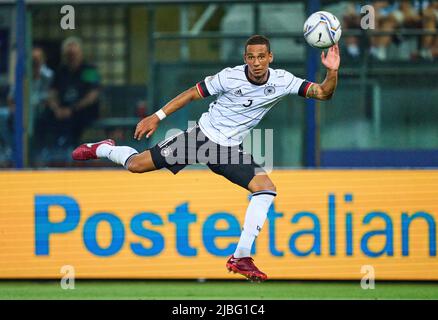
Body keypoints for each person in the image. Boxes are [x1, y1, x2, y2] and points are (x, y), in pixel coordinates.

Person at [71, 35, 340, 282]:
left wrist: (332, 70)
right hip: (200, 138)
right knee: (136, 165)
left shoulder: (283, 81)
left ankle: (241, 257)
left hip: (229, 151)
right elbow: (191, 94)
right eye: (251, 57)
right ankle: (103, 148)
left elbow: (323, 93)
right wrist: (157, 117)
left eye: (261, 57)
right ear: (245, 59)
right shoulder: (229, 77)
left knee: (266, 188)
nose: (256, 63)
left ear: (270, 57)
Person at [42, 36, 100, 158]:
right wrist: (56, 108)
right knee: (45, 116)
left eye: (74, 54)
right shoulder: (60, 72)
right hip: (62, 110)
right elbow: (52, 93)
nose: (71, 57)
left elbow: (92, 95)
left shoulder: (89, 70)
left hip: (82, 110)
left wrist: (72, 109)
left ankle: (71, 152)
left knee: (75, 119)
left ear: (80, 53)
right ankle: (49, 152)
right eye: (68, 55)